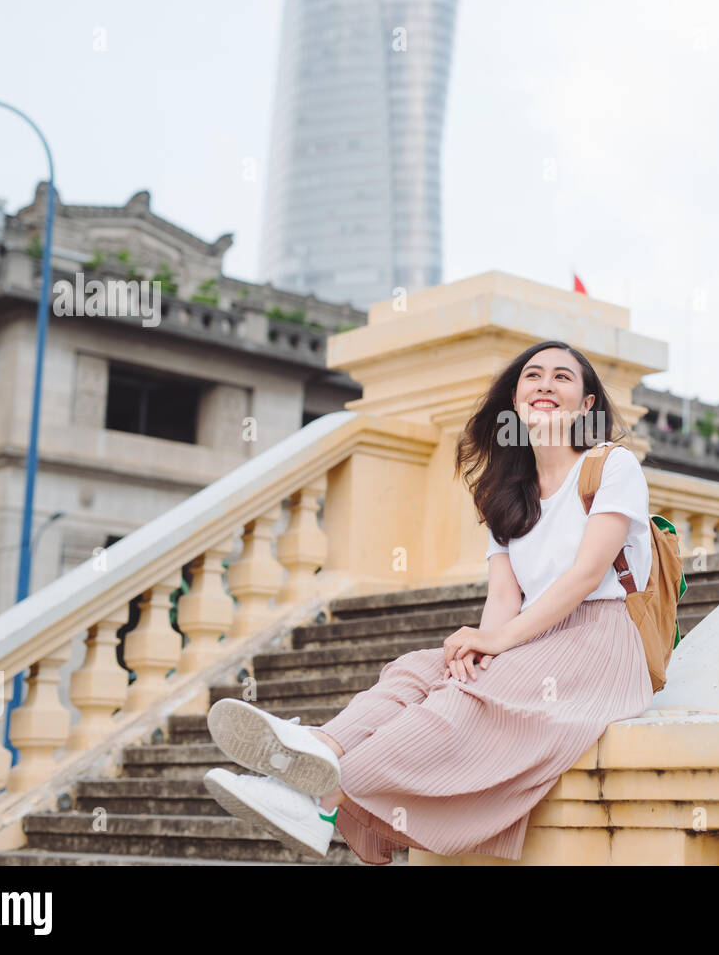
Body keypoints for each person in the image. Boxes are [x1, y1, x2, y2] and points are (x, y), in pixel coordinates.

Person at [203, 339, 654, 864]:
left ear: (586, 405)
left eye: (562, 377)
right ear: (515, 398)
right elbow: (505, 595)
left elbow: (585, 575)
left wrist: (496, 643)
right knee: (420, 671)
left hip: (600, 643)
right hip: (535, 635)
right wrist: (482, 650)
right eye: (532, 376)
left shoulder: (611, 466)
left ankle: (320, 801)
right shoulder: (506, 492)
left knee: (458, 700)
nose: (545, 386)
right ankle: (320, 751)